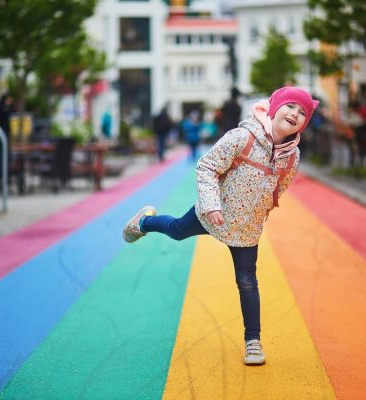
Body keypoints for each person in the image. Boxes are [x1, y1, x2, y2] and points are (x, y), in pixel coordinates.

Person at [122, 87, 319, 365]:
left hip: (247, 227)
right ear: (274, 108)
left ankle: (253, 342)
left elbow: (282, 185)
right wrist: (212, 204)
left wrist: (264, 208)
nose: (295, 115)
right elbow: (207, 167)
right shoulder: (243, 137)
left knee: (248, 282)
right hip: (214, 213)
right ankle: (144, 222)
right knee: (178, 230)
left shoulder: (292, 155)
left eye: (302, 113)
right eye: (291, 107)